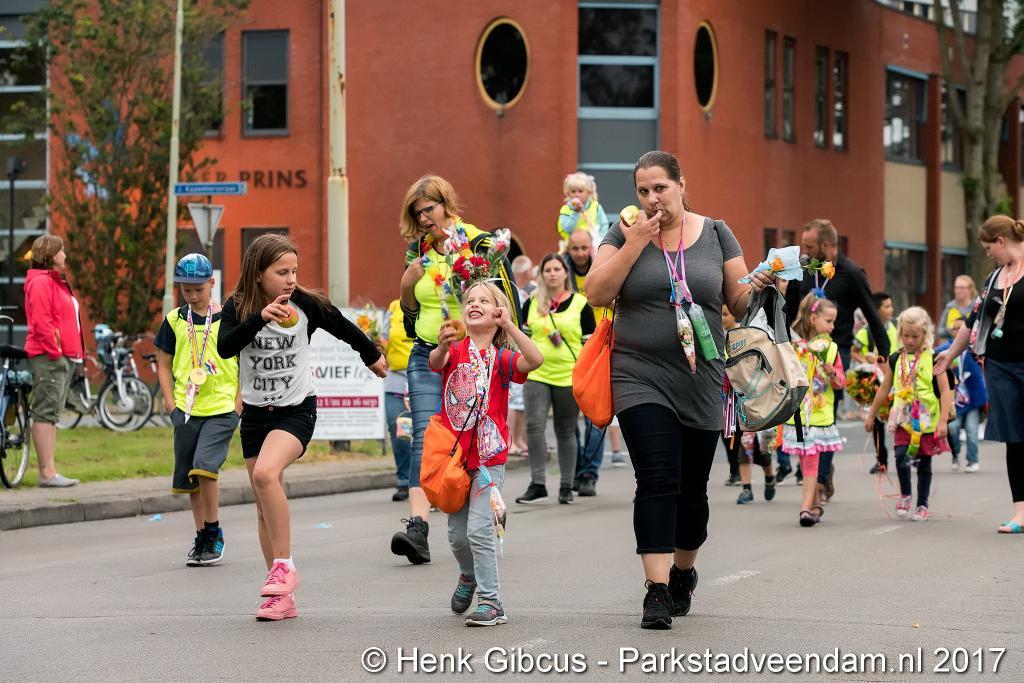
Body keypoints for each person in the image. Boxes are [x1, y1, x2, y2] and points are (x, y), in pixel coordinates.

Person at [586, 150, 768, 629]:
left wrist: (763, 284)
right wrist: (634, 244)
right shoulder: (623, 231)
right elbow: (596, 293)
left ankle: (683, 572)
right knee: (656, 478)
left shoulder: (717, 233)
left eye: (660, 188)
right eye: (643, 191)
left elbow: (739, 302)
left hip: (701, 378)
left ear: (681, 186)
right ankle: (657, 590)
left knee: (692, 493)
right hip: (638, 374)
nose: (652, 199)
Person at [217, 234, 386, 621]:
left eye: (294, 271)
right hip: (256, 415)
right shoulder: (238, 306)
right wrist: (259, 318)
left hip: (296, 411)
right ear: (258, 274)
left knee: (264, 474)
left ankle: (284, 567)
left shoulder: (306, 304)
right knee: (264, 505)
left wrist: (371, 355)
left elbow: (343, 327)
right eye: (282, 272)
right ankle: (280, 596)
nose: (291, 279)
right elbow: (225, 347)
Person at [394, 174, 521, 565]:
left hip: (472, 355)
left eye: (428, 210)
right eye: (417, 214)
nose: (424, 219)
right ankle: (418, 527)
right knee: (423, 433)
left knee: (469, 438)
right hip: (428, 352)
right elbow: (412, 315)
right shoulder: (418, 250)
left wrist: (505, 345)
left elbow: (505, 297)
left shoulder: (478, 243)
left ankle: (474, 515)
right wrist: (406, 284)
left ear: (446, 204)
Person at [430, 281, 542, 627]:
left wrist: (511, 325)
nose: (474, 304)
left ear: (498, 313)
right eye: (470, 301)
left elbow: (534, 360)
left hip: (489, 459)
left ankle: (492, 602)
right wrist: (441, 345)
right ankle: (468, 574)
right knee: (456, 536)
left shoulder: (502, 358)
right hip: (454, 459)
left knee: (479, 530)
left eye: (484, 301)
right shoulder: (455, 350)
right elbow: (436, 362)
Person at [935, 215, 1024, 533]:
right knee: (1015, 439)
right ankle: (1021, 513)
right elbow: (973, 322)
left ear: (1002, 241)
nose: (988, 254)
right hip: (999, 366)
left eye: (989, 248)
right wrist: (950, 354)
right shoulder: (993, 279)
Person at [154, 253, 240, 566]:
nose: (192, 296)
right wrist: (169, 402)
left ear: (212, 283)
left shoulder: (228, 318)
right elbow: (164, 363)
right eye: (186, 290)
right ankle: (202, 534)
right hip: (187, 409)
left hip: (221, 407)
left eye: (198, 289)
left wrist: (239, 401)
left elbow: (245, 360)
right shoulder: (175, 320)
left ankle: (214, 533)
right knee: (191, 476)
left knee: (205, 467)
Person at [516, 253, 595, 505]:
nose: (552, 273)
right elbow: (523, 338)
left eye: (556, 269)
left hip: (569, 375)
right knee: (534, 426)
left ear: (565, 273)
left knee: (566, 430)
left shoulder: (580, 304)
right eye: (547, 270)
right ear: (541, 275)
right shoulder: (531, 302)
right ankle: (538, 483)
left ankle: (566, 486)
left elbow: (589, 344)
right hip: (536, 374)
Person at [867, 307, 952, 522]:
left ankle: (922, 504)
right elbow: (884, 388)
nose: (910, 340)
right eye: (906, 335)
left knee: (924, 463)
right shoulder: (895, 358)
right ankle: (905, 495)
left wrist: (943, 421)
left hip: (926, 420)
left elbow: (945, 391)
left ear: (925, 334)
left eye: (915, 336)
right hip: (903, 419)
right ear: (900, 333)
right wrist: (871, 415)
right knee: (900, 455)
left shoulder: (934, 358)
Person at [785, 219, 890, 375]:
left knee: (828, 391)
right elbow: (789, 308)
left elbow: (870, 311)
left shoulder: (852, 274)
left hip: (837, 351)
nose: (805, 251)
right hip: (802, 348)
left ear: (825, 245)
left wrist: (883, 351)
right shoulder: (802, 267)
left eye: (810, 247)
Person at [23, 234, 83, 487]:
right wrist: (55, 351)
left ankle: (50, 471)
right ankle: (47, 473)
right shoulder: (40, 282)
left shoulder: (54, 281)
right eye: (61, 250)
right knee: (45, 413)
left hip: (61, 357)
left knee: (52, 415)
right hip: (49, 357)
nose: (65, 255)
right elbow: (41, 321)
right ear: (50, 254)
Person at [782, 295, 846, 527]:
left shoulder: (832, 349)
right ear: (812, 319)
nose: (832, 326)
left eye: (833, 321)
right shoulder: (794, 346)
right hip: (797, 414)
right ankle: (816, 503)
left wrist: (832, 372)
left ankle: (805, 508)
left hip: (820, 416)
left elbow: (840, 383)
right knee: (805, 459)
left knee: (810, 460)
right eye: (828, 321)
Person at [853, 292, 900, 474]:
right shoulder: (866, 332)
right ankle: (881, 459)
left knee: (900, 418)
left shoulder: (896, 328)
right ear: (876, 310)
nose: (891, 310)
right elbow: (854, 350)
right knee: (877, 422)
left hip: (896, 380)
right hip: (875, 382)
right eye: (887, 307)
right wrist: (865, 359)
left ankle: (906, 454)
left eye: (891, 306)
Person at [937, 315, 986, 473]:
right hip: (954, 399)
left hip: (972, 398)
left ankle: (972, 460)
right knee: (953, 428)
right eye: (954, 329)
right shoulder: (944, 349)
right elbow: (932, 360)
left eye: (961, 328)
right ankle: (955, 454)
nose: (957, 331)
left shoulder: (976, 348)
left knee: (972, 430)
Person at [381, 298, 413, 501]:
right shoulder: (394, 307)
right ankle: (404, 480)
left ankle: (426, 481)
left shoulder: (436, 303)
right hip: (396, 379)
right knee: (399, 429)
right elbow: (383, 338)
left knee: (426, 434)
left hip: (426, 378)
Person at [508, 255, 535, 456]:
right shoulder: (521, 293)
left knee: (520, 401)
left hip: (519, 347)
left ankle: (519, 440)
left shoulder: (519, 291)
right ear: (526, 272)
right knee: (515, 400)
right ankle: (512, 441)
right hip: (516, 348)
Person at [556, 171, 609, 245]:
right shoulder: (566, 209)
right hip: (572, 246)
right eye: (573, 191)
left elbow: (604, 224)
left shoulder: (596, 206)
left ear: (588, 192)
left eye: (580, 191)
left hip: (593, 245)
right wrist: (576, 212)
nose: (577, 194)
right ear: (568, 194)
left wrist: (600, 240)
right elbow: (567, 229)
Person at [937, 275, 977, 341]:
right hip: (951, 343)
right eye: (956, 288)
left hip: (972, 344)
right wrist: (951, 329)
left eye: (962, 288)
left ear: (970, 289)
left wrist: (965, 328)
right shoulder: (950, 306)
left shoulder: (977, 306)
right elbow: (940, 331)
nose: (958, 290)